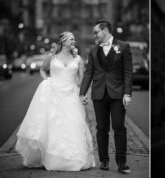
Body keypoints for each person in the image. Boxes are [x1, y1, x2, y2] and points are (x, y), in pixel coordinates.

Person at [15, 32, 95, 171]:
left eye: (74, 39)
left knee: (72, 124)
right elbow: (42, 70)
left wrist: (83, 94)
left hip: (70, 94)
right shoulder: (52, 56)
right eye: (71, 39)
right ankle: (50, 157)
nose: (74, 41)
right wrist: (47, 80)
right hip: (53, 93)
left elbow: (82, 79)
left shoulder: (78, 59)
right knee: (52, 125)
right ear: (63, 41)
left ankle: (71, 158)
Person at [79, 20, 133, 174]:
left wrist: (127, 93)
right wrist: (82, 93)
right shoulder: (94, 50)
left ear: (105, 30)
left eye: (96, 32)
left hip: (117, 94)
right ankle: (104, 161)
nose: (94, 35)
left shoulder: (123, 46)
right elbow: (89, 72)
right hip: (99, 94)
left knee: (119, 127)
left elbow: (128, 72)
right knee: (101, 128)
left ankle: (122, 163)